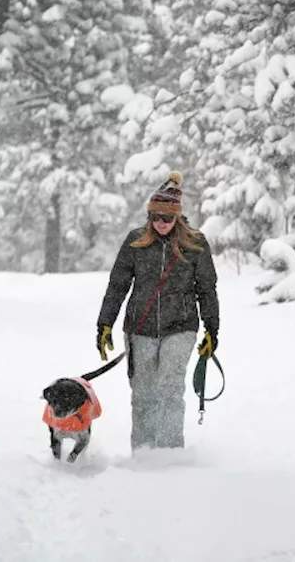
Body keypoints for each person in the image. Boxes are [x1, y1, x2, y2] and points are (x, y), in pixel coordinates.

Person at [95, 170, 220, 451]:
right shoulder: (136, 242)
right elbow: (117, 285)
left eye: (167, 218)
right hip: (141, 327)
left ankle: (169, 453)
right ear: (149, 216)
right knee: (143, 392)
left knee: (170, 388)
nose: (161, 223)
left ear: (177, 217)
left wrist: (212, 329)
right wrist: (105, 323)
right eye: (156, 217)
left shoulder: (195, 244)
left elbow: (207, 290)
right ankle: (143, 451)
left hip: (182, 325)